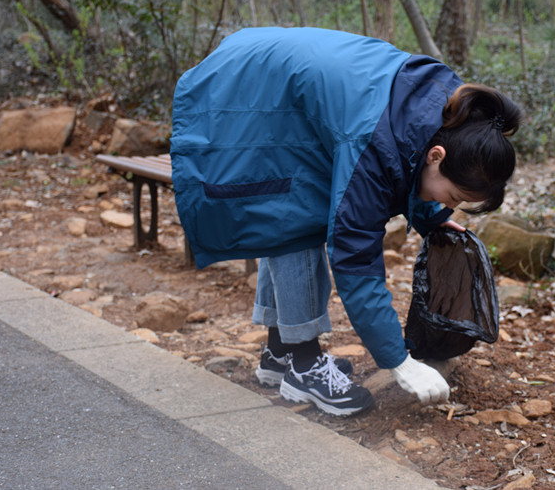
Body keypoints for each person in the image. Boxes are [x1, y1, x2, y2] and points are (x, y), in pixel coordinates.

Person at [171, 27, 520, 417]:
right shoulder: (376, 142)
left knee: (284, 207)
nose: (450, 206)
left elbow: (408, 166)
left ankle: (280, 352)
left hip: (270, 80)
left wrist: (432, 217)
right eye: (453, 198)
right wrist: (398, 361)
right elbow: (355, 258)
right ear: (437, 156)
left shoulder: (450, 115)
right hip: (244, 91)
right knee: (293, 215)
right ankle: (304, 366)